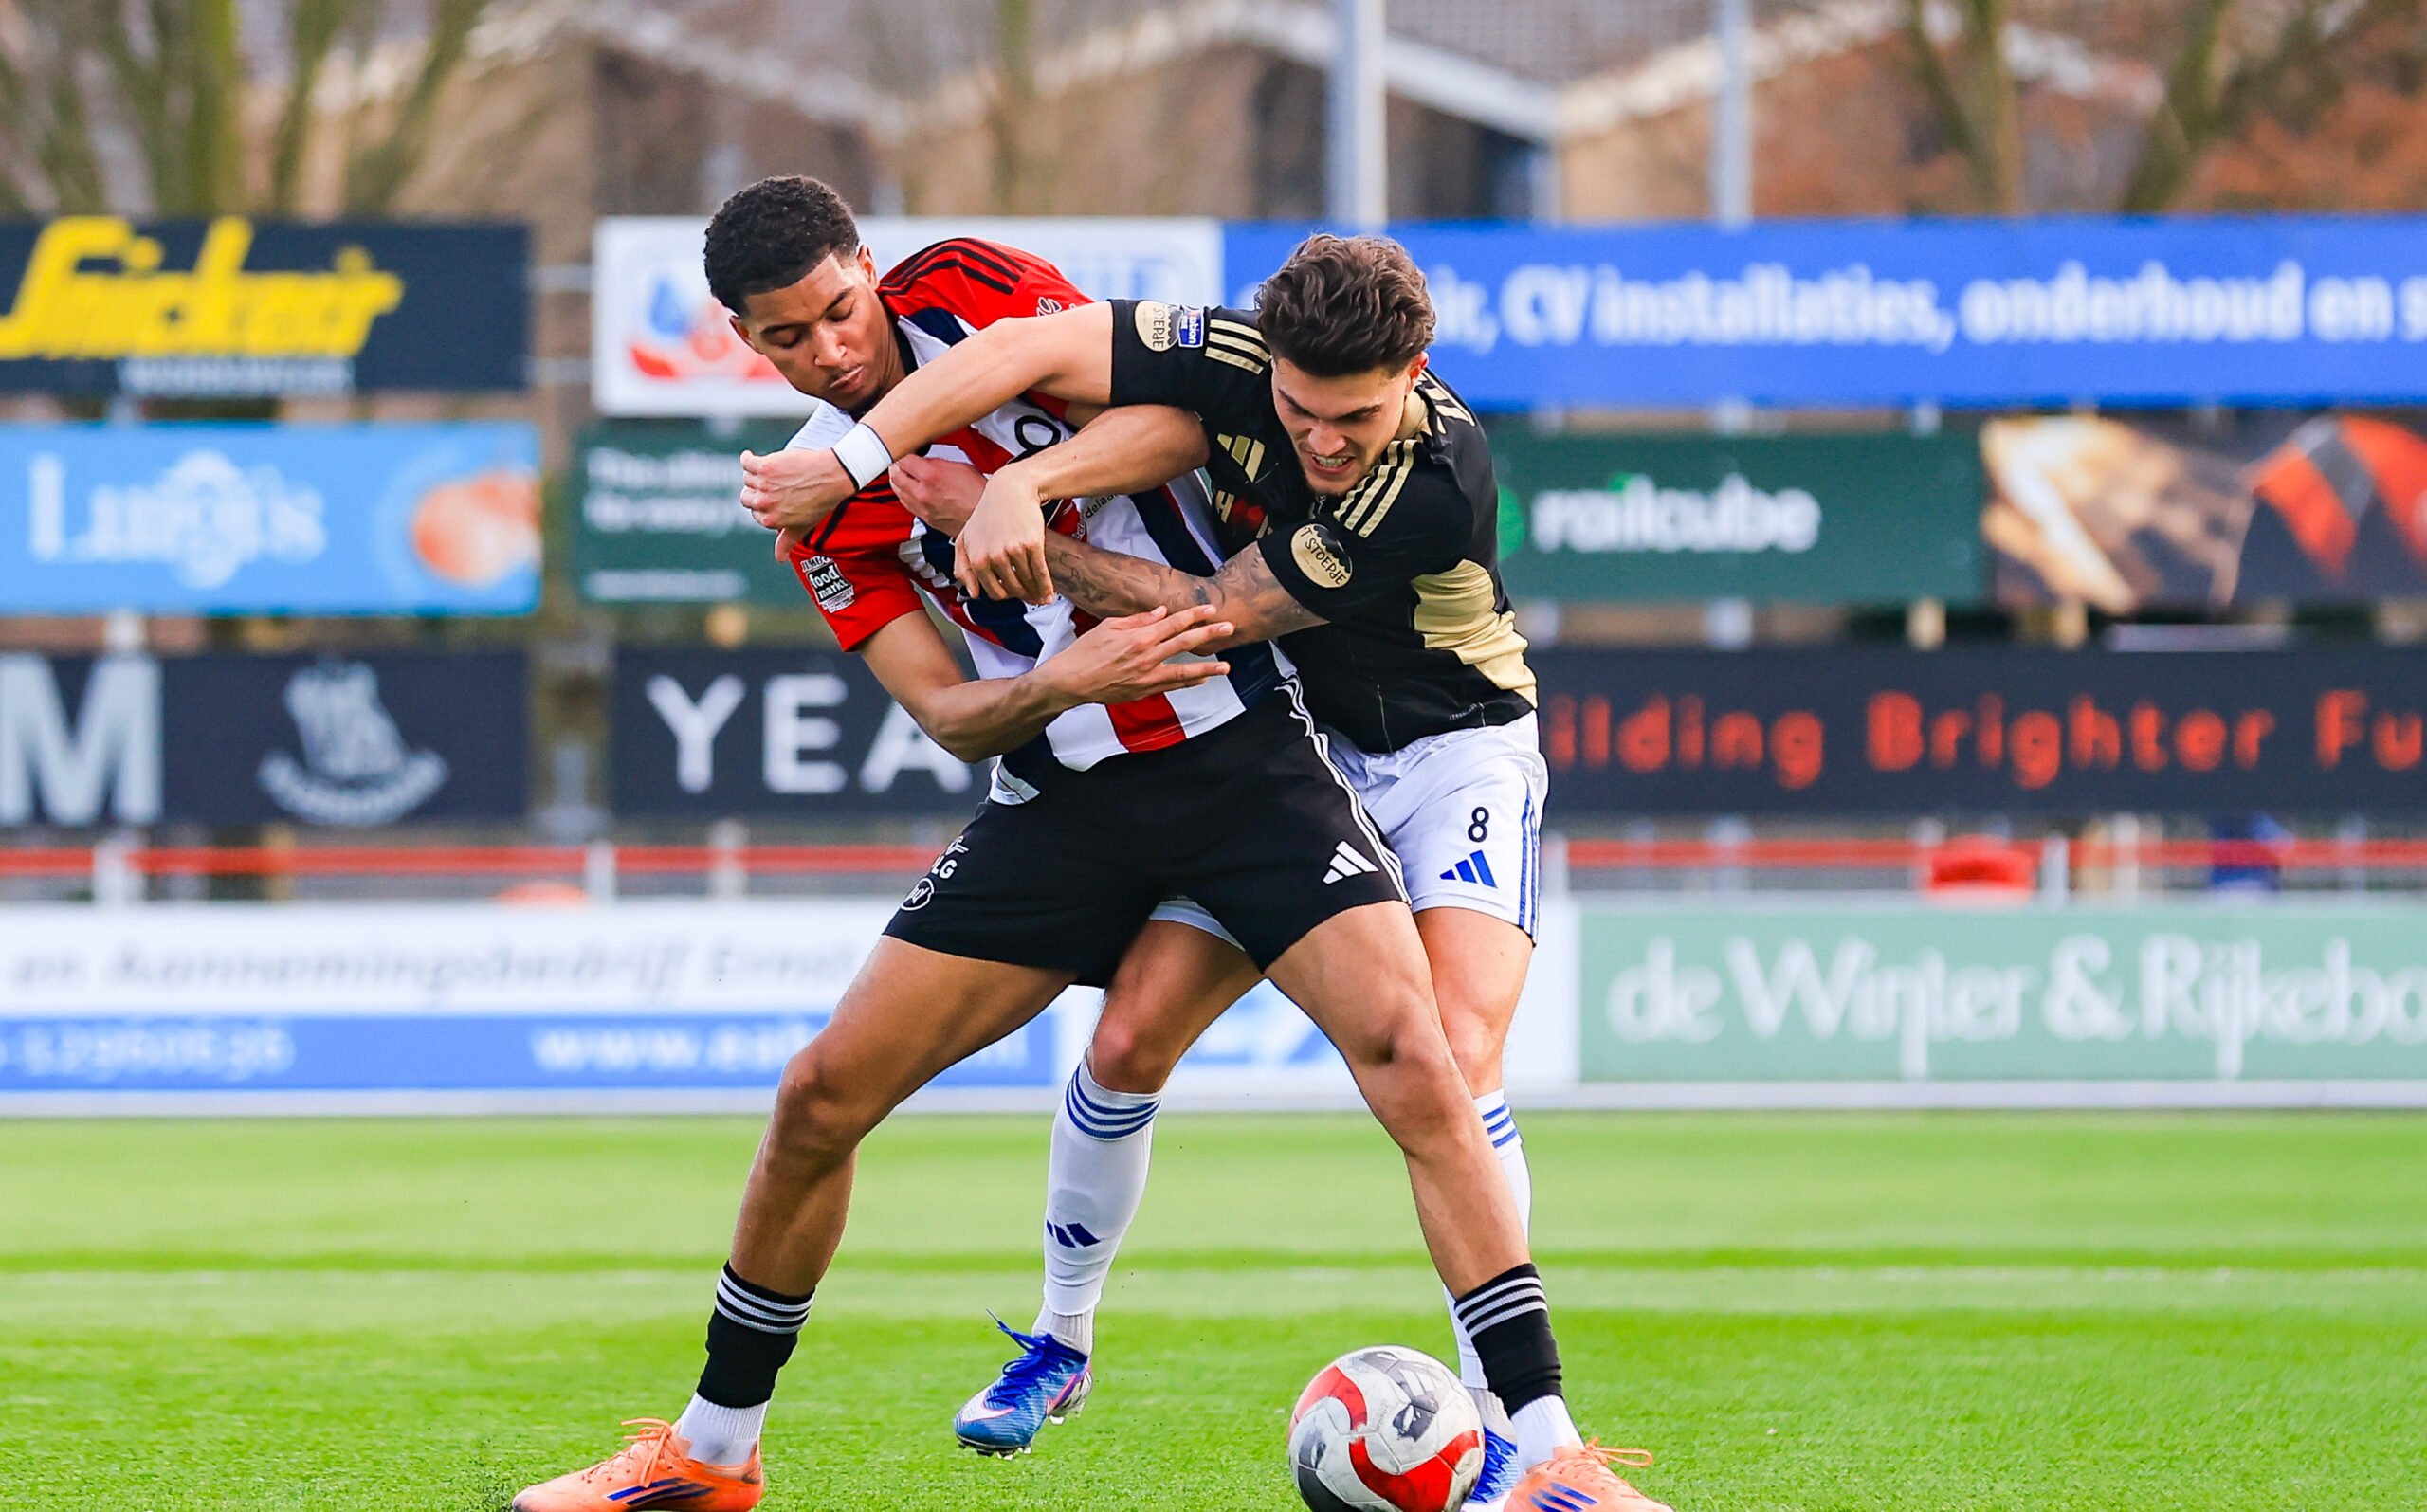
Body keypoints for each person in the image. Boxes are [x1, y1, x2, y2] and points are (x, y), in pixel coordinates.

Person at [513, 182, 1585, 1512]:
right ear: (745, 339)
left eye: (842, 312)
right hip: (1062, 798)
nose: (831, 351)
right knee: (819, 1097)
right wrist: (1060, 687)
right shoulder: (816, 509)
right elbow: (950, 713)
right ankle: (711, 1454)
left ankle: (1544, 1455)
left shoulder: (971, 288)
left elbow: (1171, 418)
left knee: (1421, 1057)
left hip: (1248, 757)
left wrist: (1014, 485)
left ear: (872, 271)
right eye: (788, 340)